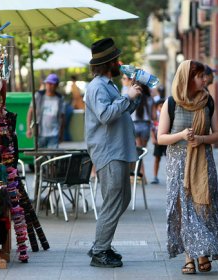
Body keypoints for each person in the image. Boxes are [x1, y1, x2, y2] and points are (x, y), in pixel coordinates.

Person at [157, 60, 218, 274]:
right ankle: (189, 256)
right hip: (177, 165)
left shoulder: (207, 102)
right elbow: (161, 138)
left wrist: (202, 139)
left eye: (205, 76)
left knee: (202, 208)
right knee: (184, 211)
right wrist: (182, 136)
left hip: (203, 163)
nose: (205, 80)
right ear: (187, 78)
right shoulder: (171, 103)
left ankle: (202, 253)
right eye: (200, 76)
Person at [85, 37, 142, 268]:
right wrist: (127, 96)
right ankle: (100, 251)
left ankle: (102, 243)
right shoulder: (97, 86)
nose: (119, 63)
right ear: (108, 63)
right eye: (116, 60)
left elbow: (121, 111)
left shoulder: (109, 85)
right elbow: (105, 115)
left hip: (118, 148)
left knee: (123, 198)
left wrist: (134, 96)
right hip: (109, 151)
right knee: (112, 201)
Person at [26, 73, 64, 148]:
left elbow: (62, 117)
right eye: (48, 83)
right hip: (39, 133)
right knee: (39, 158)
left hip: (54, 134)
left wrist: (61, 134)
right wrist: (29, 129)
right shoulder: (38, 96)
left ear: (56, 85)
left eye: (52, 84)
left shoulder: (59, 99)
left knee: (52, 158)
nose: (49, 86)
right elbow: (30, 112)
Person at [150, 98, 166, 184]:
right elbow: (152, 129)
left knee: (170, 158)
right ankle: (155, 177)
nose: (162, 107)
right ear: (156, 108)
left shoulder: (168, 115)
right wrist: (153, 138)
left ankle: (171, 175)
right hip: (158, 140)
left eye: (163, 105)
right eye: (160, 106)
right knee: (157, 158)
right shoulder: (155, 117)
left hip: (166, 139)